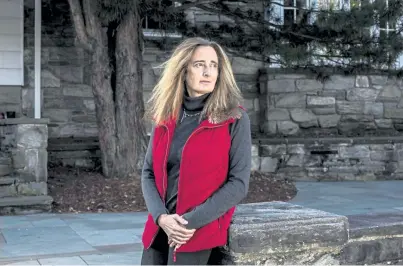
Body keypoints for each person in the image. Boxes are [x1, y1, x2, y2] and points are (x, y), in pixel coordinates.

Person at [140, 37, 252, 265]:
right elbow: (148, 172)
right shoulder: (165, 116)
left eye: (214, 66)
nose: (208, 72)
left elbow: (238, 184)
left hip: (197, 232)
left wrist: (187, 223)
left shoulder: (234, 119)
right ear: (183, 71)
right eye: (199, 64)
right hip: (159, 230)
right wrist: (161, 217)